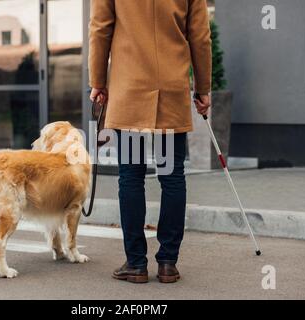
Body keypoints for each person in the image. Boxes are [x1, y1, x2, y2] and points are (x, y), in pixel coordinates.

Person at [89, 0, 212, 284]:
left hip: (130, 88)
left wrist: (97, 81)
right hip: (171, 88)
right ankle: (168, 263)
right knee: (172, 175)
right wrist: (203, 87)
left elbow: (100, 29)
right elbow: (200, 35)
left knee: (131, 175)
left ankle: (136, 263)